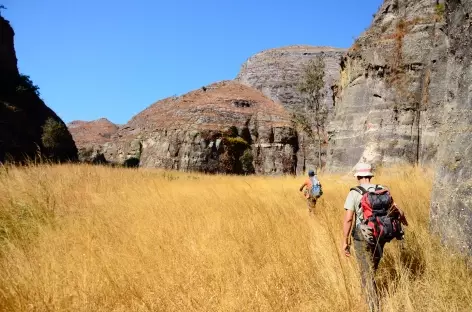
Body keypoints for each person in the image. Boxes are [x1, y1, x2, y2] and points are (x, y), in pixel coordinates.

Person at [341, 163, 408, 312]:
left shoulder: (354, 192)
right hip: (381, 234)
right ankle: (366, 292)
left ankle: (373, 307)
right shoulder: (383, 189)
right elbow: (396, 209)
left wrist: (345, 241)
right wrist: (404, 221)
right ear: (371, 175)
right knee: (372, 266)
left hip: (362, 235)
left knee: (366, 271)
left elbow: (348, 219)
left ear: (358, 176)